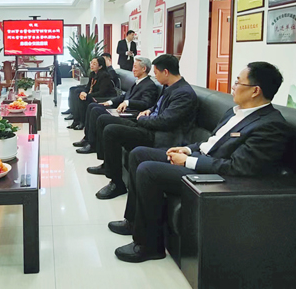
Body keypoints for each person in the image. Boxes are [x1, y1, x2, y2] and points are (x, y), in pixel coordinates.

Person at [109, 62, 291, 263]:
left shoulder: (270, 125)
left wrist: (188, 161)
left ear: (255, 91)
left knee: (148, 170)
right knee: (138, 154)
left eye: (238, 82)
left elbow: (239, 167)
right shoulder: (234, 112)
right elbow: (211, 142)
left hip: (218, 176)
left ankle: (149, 246)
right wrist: (187, 149)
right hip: (202, 158)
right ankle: (132, 221)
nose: (233, 87)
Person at [90, 54, 198, 200]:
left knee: (112, 131)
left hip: (159, 136)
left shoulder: (184, 93)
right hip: (149, 126)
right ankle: (107, 167)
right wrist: (149, 110)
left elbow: (165, 121)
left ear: (166, 72)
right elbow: (158, 106)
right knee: (105, 120)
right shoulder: (170, 87)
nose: (155, 76)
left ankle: (116, 183)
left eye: (156, 73)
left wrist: (143, 119)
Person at [73, 57, 159, 153]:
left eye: (135, 67)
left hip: (130, 114)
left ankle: (92, 144)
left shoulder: (149, 85)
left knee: (95, 110)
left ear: (144, 69)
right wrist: (109, 102)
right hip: (121, 109)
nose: (133, 69)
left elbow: (146, 103)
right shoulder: (138, 82)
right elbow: (124, 96)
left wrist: (128, 102)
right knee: (92, 106)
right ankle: (87, 138)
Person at [67, 56, 116, 130]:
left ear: (100, 66)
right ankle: (76, 120)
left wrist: (88, 95)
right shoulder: (93, 74)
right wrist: (83, 92)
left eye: (94, 64)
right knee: (78, 95)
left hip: (104, 97)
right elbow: (88, 87)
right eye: (91, 63)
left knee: (84, 99)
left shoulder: (105, 76)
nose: (91, 65)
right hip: (95, 93)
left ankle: (82, 122)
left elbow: (102, 92)